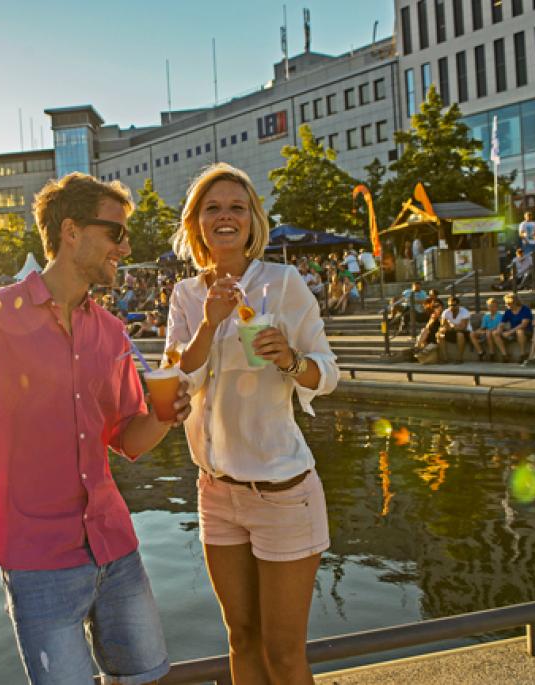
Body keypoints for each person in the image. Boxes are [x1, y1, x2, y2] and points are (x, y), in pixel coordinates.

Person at [0, 172, 192, 685]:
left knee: (147, 680)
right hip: (37, 558)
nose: (125, 246)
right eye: (115, 232)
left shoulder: (110, 331)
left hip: (115, 547)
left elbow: (128, 439)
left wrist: (165, 415)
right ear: (71, 231)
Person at [166, 163, 338, 684]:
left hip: (282, 492)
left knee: (284, 653)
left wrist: (288, 358)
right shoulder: (184, 296)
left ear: (252, 220)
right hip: (216, 492)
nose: (225, 216)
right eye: (212, 208)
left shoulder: (282, 284)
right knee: (241, 638)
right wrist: (208, 323)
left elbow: (326, 372)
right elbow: (179, 380)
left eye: (236, 207)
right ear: (196, 223)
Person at [439, 296, 482, 363]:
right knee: (440, 335)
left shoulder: (464, 311)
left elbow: (462, 327)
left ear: (458, 305)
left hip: (466, 332)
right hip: (453, 332)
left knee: (459, 334)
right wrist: (446, 327)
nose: (451, 307)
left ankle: (460, 358)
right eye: (449, 305)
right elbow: (442, 326)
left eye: (453, 305)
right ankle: (445, 358)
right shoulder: (446, 312)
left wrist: (450, 325)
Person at [492, 293, 533, 363]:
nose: (507, 305)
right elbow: (502, 323)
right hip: (513, 331)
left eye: (508, 303)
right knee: (495, 333)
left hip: (527, 331)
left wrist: (509, 332)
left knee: (520, 331)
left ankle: (523, 354)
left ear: (515, 303)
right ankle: (505, 355)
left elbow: (523, 324)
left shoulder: (525, 309)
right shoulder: (508, 311)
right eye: (506, 303)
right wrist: (499, 329)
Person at [471, 297, 505, 362]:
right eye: (490, 306)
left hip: (496, 331)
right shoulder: (486, 316)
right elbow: (483, 327)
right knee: (472, 333)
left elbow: (499, 326)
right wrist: (478, 330)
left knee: (489, 333)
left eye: (493, 306)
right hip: (487, 331)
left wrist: (488, 330)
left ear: (496, 307)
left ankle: (492, 353)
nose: (491, 308)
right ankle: (480, 352)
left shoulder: (500, 315)